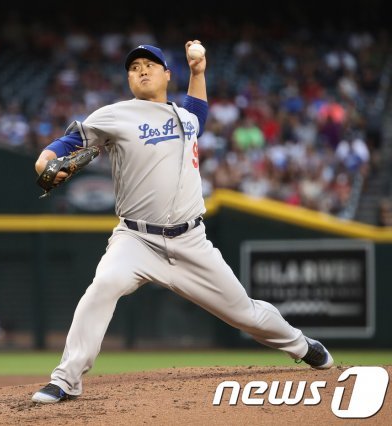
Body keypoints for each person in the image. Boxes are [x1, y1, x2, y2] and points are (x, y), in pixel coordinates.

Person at [31, 42, 333, 404]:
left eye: (150, 64)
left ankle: (302, 345)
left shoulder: (184, 117)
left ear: (166, 74)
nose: (142, 70)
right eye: (134, 67)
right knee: (103, 286)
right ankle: (66, 379)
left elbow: (198, 114)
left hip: (191, 241)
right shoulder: (114, 115)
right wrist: (44, 161)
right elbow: (66, 142)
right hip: (136, 240)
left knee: (244, 313)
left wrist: (198, 72)